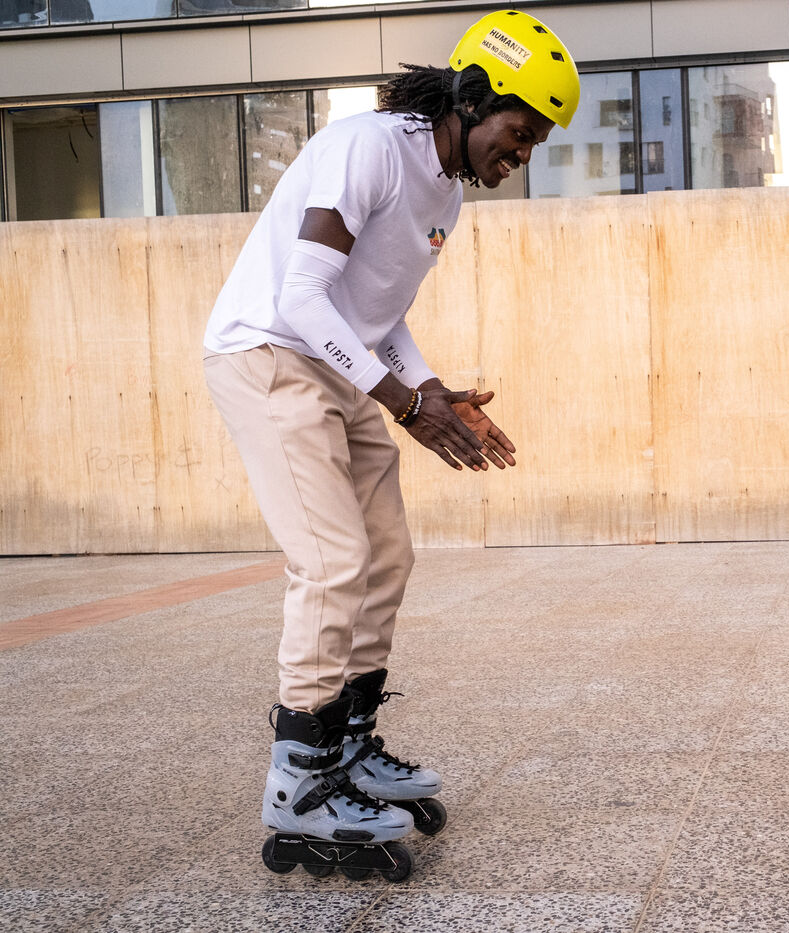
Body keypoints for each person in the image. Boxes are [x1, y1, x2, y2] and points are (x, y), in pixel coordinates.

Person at [202, 10, 579, 881]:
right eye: (520, 132)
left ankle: (349, 744)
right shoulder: (369, 149)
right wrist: (406, 404)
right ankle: (298, 781)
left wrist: (431, 390)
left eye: (535, 143)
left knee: (386, 555)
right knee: (331, 560)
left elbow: (380, 313)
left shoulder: (445, 189)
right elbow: (302, 298)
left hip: (338, 366)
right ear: (474, 98)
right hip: (267, 354)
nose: (522, 154)